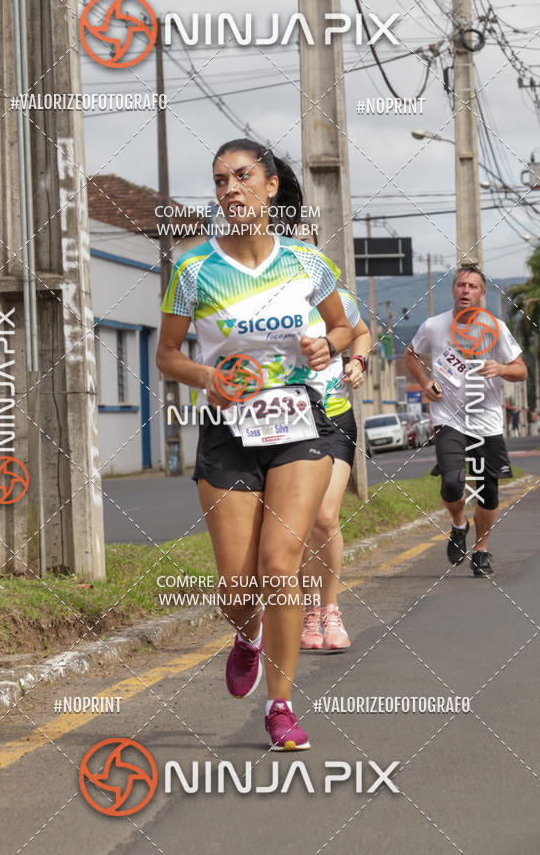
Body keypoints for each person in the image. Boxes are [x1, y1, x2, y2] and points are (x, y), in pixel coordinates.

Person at [156, 138, 353, 750]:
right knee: (239, 590)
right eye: (220, 181)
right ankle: (247, 636)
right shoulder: (194, 270)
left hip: (301, 423)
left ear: (270, 187)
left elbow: (344, 325)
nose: (230, 189)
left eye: (242, 177)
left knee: (278, 566)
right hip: (229, 432)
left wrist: (330, 344)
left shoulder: (306, 262)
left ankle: (281, 705)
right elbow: (167, 355)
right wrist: (206, 377)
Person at [405, 264, 527, 576]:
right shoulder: (434, 326)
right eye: (461, 285)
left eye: (473, 286)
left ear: (482, 294)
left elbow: (520, 369)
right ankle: (459, 524)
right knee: (451, 482)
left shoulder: (496, 328)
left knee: (488, 493)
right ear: (454, 290)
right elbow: (410, 355)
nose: (466, 291)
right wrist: (423, 382)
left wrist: (500, 369)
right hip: (449, 417)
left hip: (486, 421)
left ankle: (481, 549)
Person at [299, 292, 371, 649]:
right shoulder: (264, 299)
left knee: (325, 517)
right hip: (293, 421)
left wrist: (358, 362)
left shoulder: (336, 297)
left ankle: (330, 610)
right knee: (301, 522)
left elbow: (362, 332)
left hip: (337, 419)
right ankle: (309, 613)